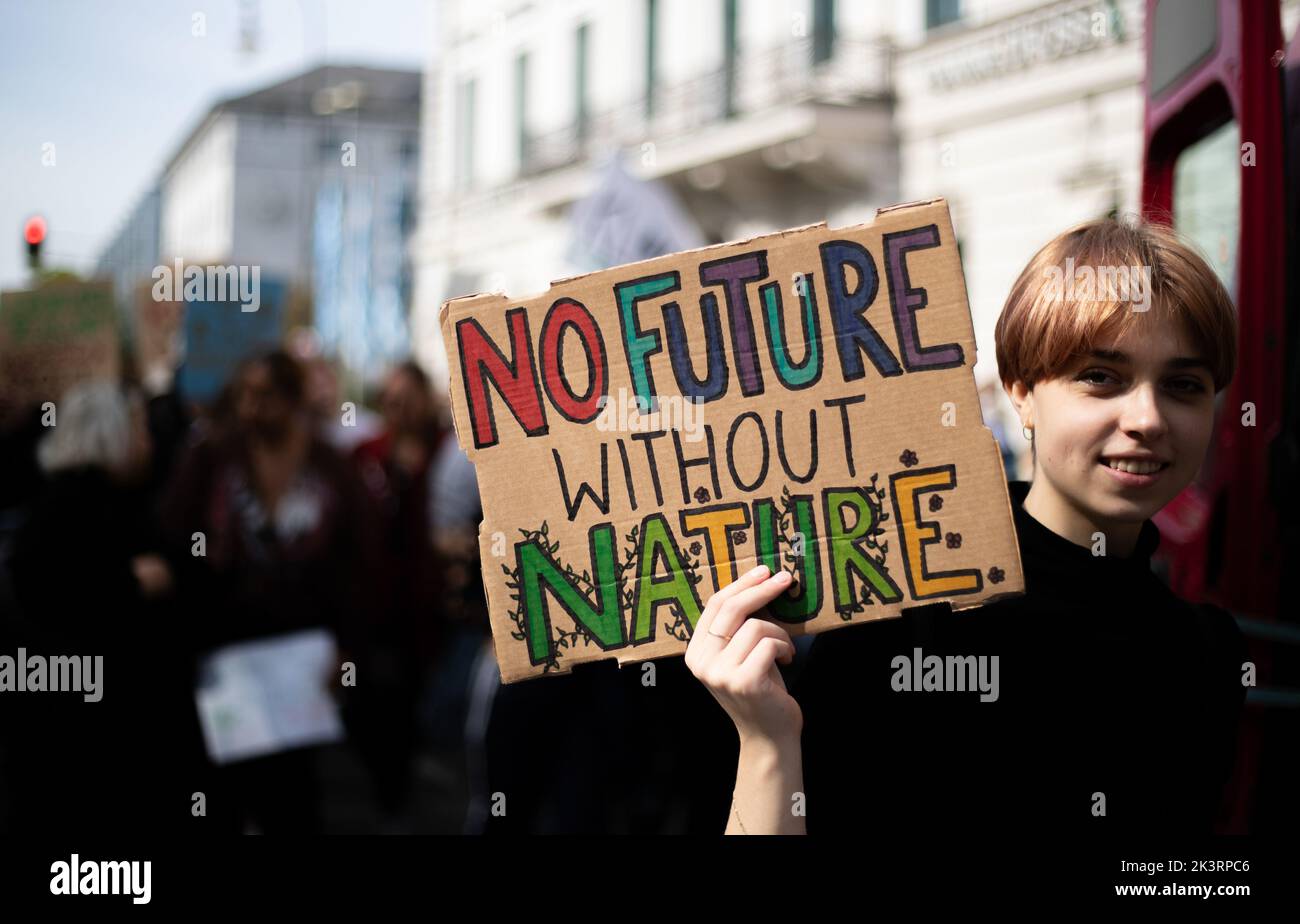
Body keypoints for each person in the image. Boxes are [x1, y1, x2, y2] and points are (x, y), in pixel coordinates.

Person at [685, 217, 1246, 835]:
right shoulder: (905, 611)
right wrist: (767, 742)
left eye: (1183, 385)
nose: (1147, 417)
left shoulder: (1205, 652)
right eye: (1100, 377)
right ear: (1021, 392)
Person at [159, 350, 378, 833]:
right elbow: (176, 534)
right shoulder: (214, 456)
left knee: (293, 797)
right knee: (224, 794)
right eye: (245, 395)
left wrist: (348, 649)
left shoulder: (329, 465)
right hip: (228, 650)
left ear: (292, 398)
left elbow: (357, 563)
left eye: (265, 396)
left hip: (302, 653)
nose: (251, 409)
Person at [4, 381, 198, 832]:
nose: (150, 444)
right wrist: (134, 583)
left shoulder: (51, 509)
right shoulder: (91, 512)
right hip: (99, 747)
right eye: (140, 431)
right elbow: (80, 608)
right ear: (113, 437)